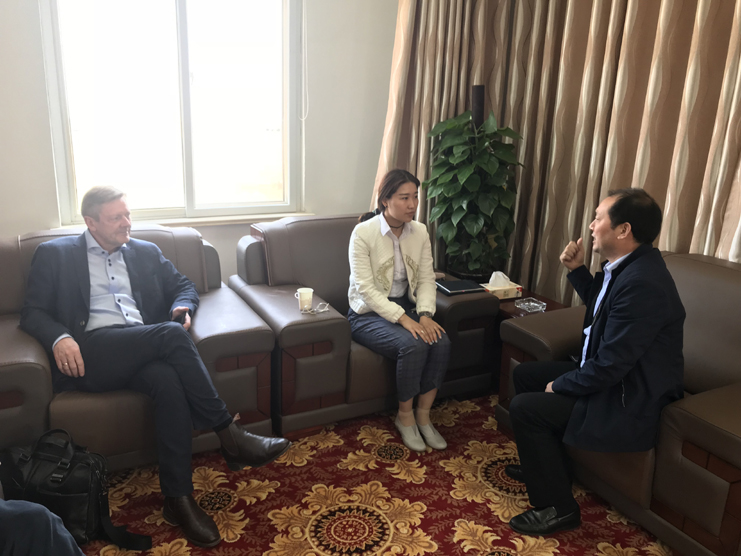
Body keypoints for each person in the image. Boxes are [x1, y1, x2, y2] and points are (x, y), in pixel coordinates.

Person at [19, 186, 291, 549]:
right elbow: (32, 312)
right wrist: (59, 338)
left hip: (139, 347)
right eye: (116, 217)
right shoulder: (55, 254)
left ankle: (178, 499)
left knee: (167, 381)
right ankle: (230, 435)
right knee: (172, 335)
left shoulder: (145, 251)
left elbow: (184, 285)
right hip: (92, 352)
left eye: (128, 214)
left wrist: (182, 305)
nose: (126, 223)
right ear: (91, 222)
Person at [506, 188, 685, 536]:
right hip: (610, 375)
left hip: (628, 394)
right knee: (527, 375)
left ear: (624, 229)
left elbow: (612, 366)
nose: (591, 225)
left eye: (599, 218)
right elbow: (604, 309)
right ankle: (547, 467)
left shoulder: (644, 283)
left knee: (527, 409)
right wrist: (577, 270)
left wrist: (561, 385)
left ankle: (559, 509)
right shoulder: (628, 267)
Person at [348, 169, 451, 452]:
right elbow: (365, 289)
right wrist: (404, 319)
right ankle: (404, 417)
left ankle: (423, 416)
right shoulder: (363, 233)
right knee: (413, 344)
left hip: (406, 306)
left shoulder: (420, 232)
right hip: (366, 313)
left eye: (415, 197)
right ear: (385, 200)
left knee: (441, 341)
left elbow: (427, 278)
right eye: (404, 198)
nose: (412, 204)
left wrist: (425, 315)